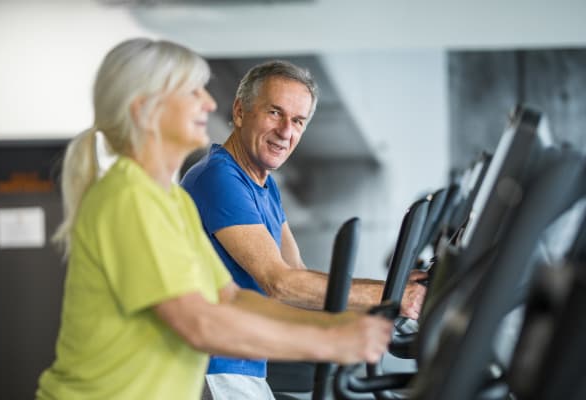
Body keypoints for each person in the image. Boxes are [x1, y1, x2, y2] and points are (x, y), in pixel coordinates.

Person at [35, 39, 394, 400]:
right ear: (146, 108)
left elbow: (232, 298)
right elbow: (198, 322)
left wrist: (341, 324)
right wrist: (329, 340)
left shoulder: (170, 199)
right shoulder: (130, 197)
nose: (208, 103)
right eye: (192, 92)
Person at [180, 60, 428, 398]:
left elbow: (296, 275)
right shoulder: (219, 177)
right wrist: (393, 295)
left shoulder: (265, 186)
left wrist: (390, 293)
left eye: (298, 121)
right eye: (274, 113)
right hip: (212, 369)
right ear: (240, 112)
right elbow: (280, 283)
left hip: (242, 368)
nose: (286, 131)